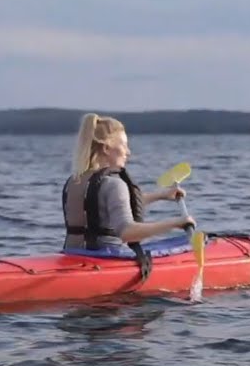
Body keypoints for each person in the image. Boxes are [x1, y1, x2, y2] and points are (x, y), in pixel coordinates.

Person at [61, 113, 195, 279]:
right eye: (124, 145)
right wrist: (176, 223)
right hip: (104, 261)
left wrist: (161, 195)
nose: (128, 152)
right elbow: (127, 233)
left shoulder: (74, 182)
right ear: (106, 148)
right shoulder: (114, 184)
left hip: (72, 255)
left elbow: (106, 208)